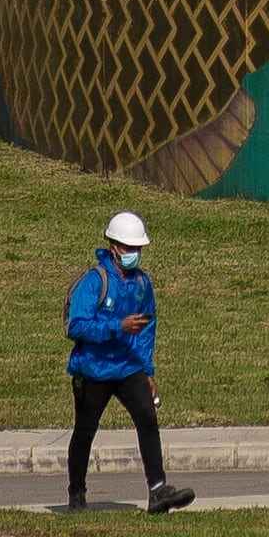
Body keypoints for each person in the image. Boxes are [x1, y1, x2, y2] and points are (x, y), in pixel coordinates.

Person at [63, 209, 195, 516]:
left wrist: (147, 370)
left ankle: (158, 491)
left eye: (138, 249)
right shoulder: (94, 282)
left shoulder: (141, 284)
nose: (133, 254)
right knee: (85, 431)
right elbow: (76, 326)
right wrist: (117, 327)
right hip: (93, 369)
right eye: (128, 248)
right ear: (113, 246)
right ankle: (77, 494)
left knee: (148, 420)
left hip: (128, 367)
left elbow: (148, 328)